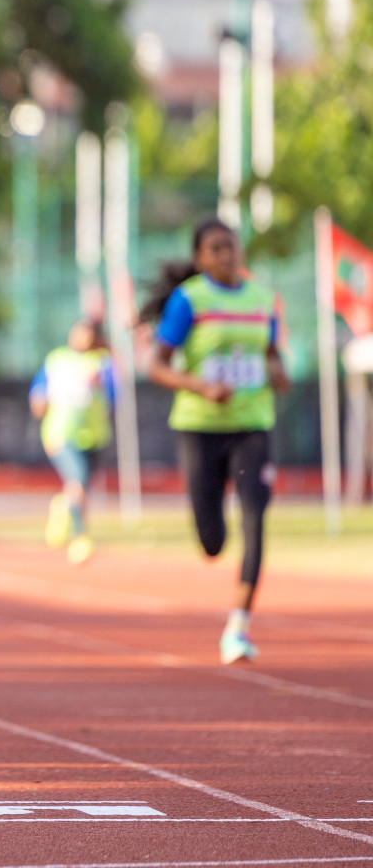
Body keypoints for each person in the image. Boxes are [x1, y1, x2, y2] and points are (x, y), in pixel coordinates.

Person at [139, 218, 289, 664]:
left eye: (232, 246)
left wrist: (278, 371)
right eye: (216, 249)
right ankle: (214, 504)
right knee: (212, 543)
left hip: (252, 423)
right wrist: (201, 387)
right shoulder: (190, 300)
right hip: (201, 425)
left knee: (256, 516)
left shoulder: (264, 299)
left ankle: (238, 626)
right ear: (201, 258)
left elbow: (272, 353)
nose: (227, 255)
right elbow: (156, 365)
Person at [29, 321, 114, 565]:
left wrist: (102, 381)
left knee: (83, 485)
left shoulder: (102, 361)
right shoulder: (57, 359)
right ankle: (80, 536)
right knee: (78, 478)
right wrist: (39, 403)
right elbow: (39, 390)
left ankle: (63, 505)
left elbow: (114, 394)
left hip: (95, 435)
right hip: (61, 434)